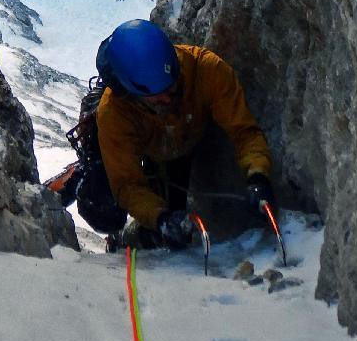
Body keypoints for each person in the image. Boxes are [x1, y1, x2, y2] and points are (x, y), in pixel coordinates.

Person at [93, 19, 274, 249]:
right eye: (158, 96)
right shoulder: (114, 114)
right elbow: (128, 185)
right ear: (130, 92)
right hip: (154, 156)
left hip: (187, 142)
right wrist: (161, 218)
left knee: (174, 228)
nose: (168, 98)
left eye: (172, 86)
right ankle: (127, 236)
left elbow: (244, 131)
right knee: (153, 231)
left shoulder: (207, 70)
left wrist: (258, 176)